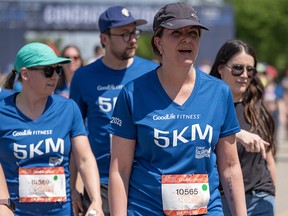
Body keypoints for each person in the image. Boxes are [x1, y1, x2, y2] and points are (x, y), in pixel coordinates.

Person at [108, 2, 247, 216]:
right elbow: (119, 170)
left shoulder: (219, 92)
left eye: (193, 33)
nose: (187, 38)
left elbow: (229, 166)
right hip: (146, 210)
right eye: (176, 33)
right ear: (159, 42)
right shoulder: (132, 94)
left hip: (205, 210)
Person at [69, 5, 158, 216]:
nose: (133, 39)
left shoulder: (152, 72)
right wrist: (73, 186)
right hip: (100, 184)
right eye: (125, 34)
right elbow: (75, 137)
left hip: (143, 182)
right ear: (105, 39)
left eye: (135, 32)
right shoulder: (83, 77)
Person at [0, 42, 104, 216]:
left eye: (58, 70)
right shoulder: (2, 112)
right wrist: (2, 203)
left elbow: (85, 159)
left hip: (61, 211)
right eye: (48, 71)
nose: (55, 76)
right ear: (25, 74)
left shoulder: (68, 109)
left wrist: (96, 201)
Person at [209, 39, 276, 216]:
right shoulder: (206, 108)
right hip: (222, 201)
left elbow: (268, 158)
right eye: (238, 68)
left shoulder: (258, 108)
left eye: (250, 70)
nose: (244, 75)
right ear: (221, 68)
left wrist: (272, 194)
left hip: (260, 198)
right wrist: (237, 133)